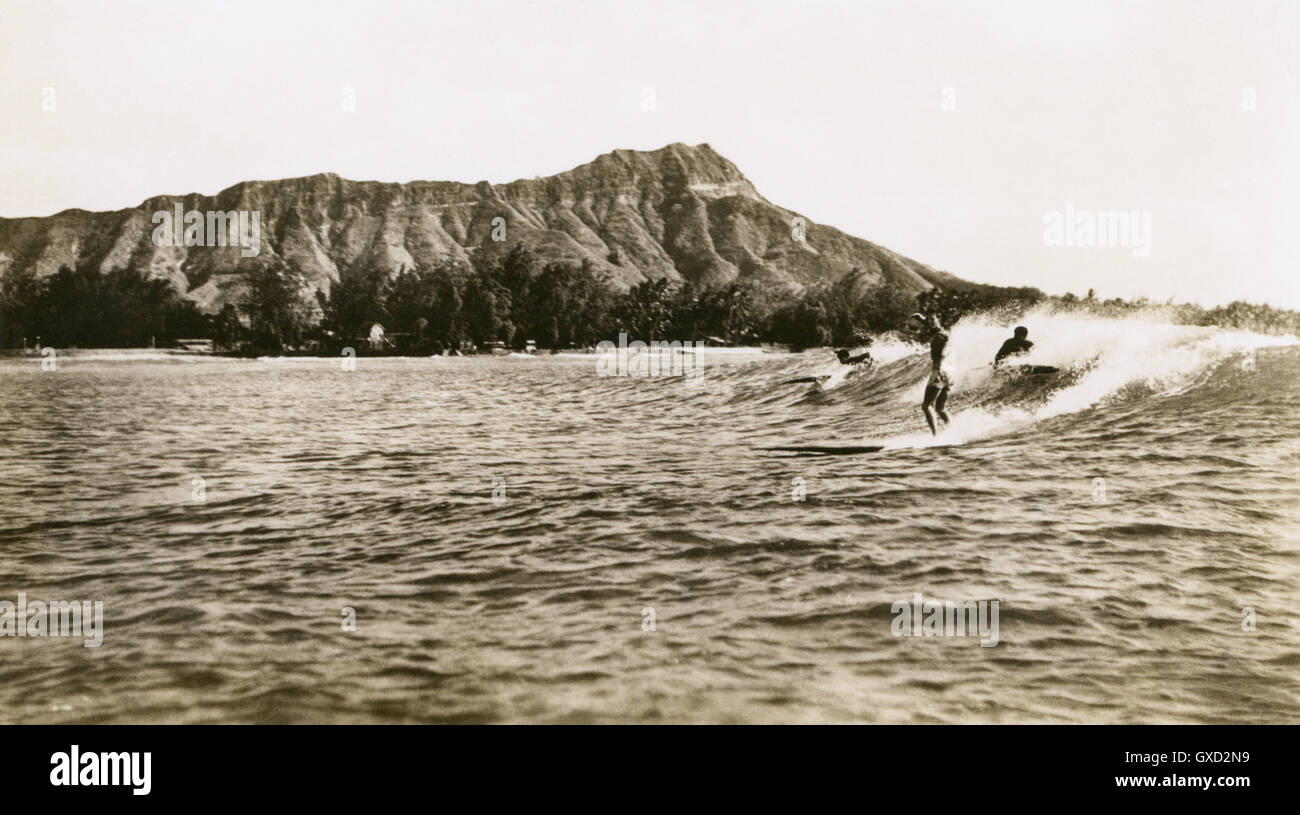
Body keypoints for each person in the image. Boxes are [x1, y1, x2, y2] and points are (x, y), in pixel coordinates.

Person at [911, 312, 952, 435]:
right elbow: (932, 326)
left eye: (932, 319)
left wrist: (940, 363)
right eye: (928, 320)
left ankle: (935, 436)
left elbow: (945, 349)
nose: (929, 322)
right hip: (951, 373)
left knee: (926, 406)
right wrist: (921, 319)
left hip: (940, 370)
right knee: (940, 408)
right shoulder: (941, 332)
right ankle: (953, 430)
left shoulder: (941, 335)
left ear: (939, 320)